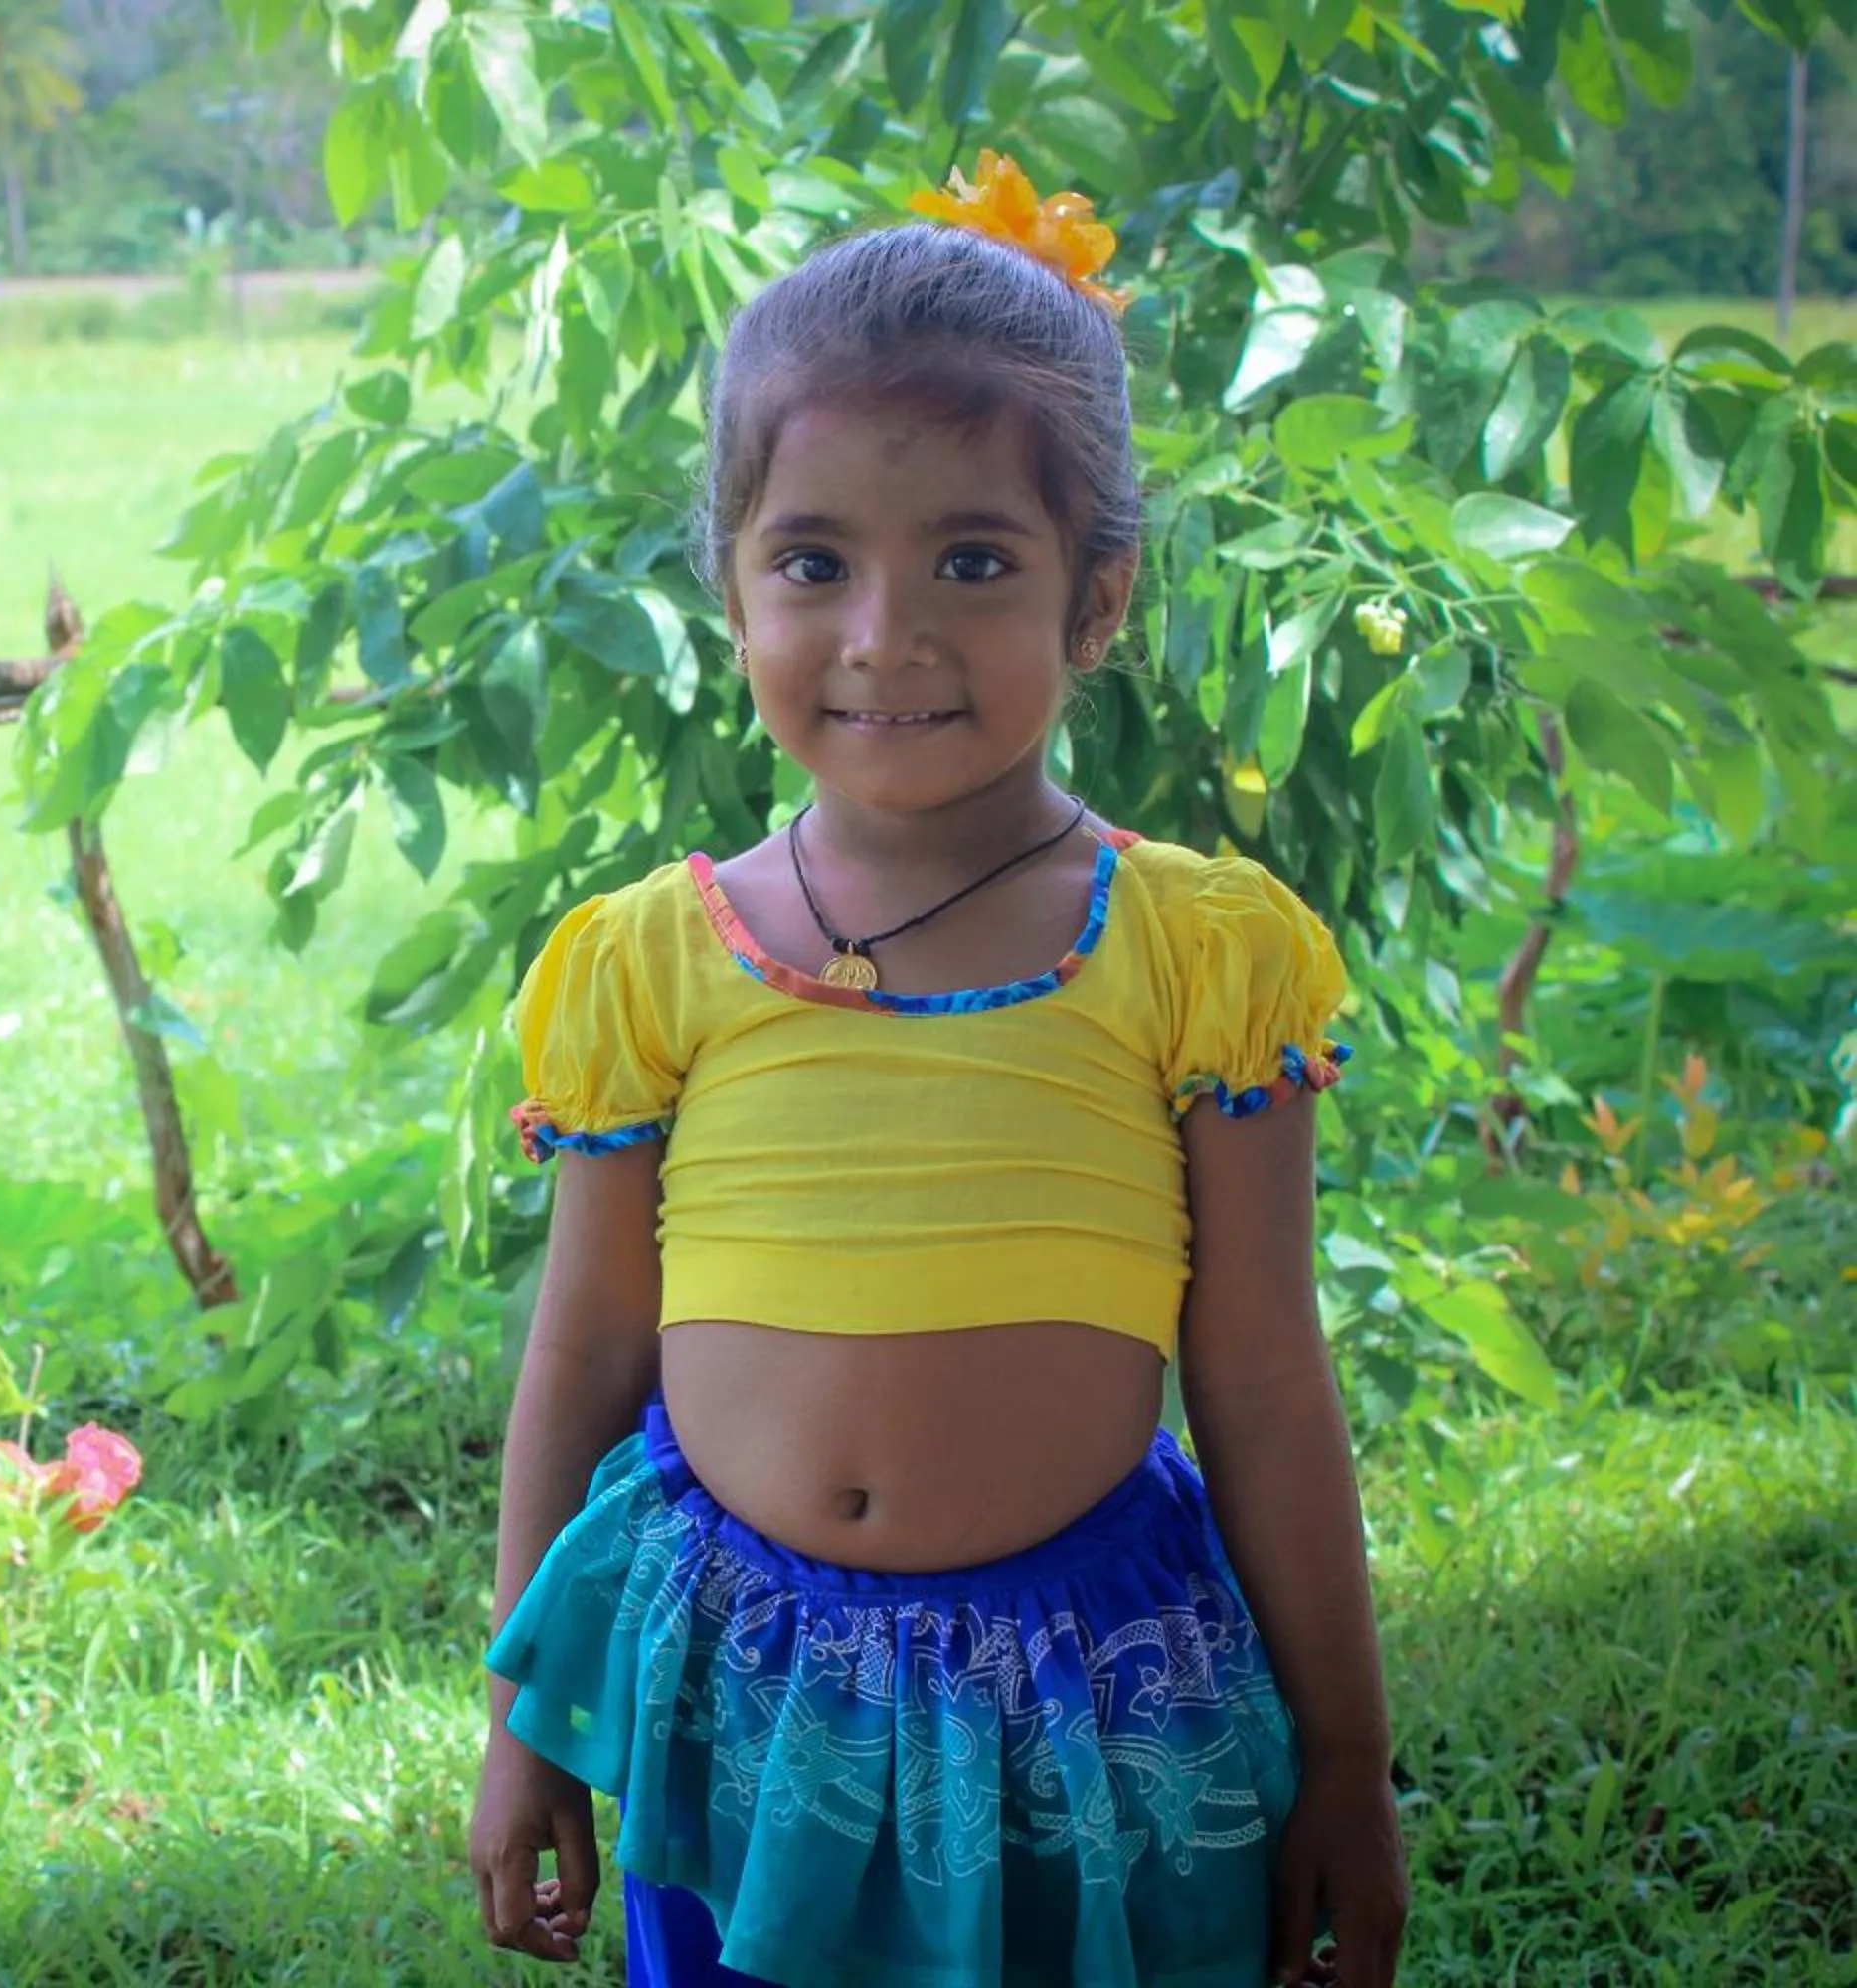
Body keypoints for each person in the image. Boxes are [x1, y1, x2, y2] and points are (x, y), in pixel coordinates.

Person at [465, 154, 1410, 1988]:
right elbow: (584, 1346)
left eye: (974, 560)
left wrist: (1350, 1765)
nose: (886, 634)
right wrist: (525, 1718)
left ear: (1099, 598)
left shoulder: (1194, 954)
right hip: (734, 1699)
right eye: (813, 563)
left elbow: (1267, 1376)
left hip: (1088, 1716)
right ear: (731, 594)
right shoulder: (655, 958)